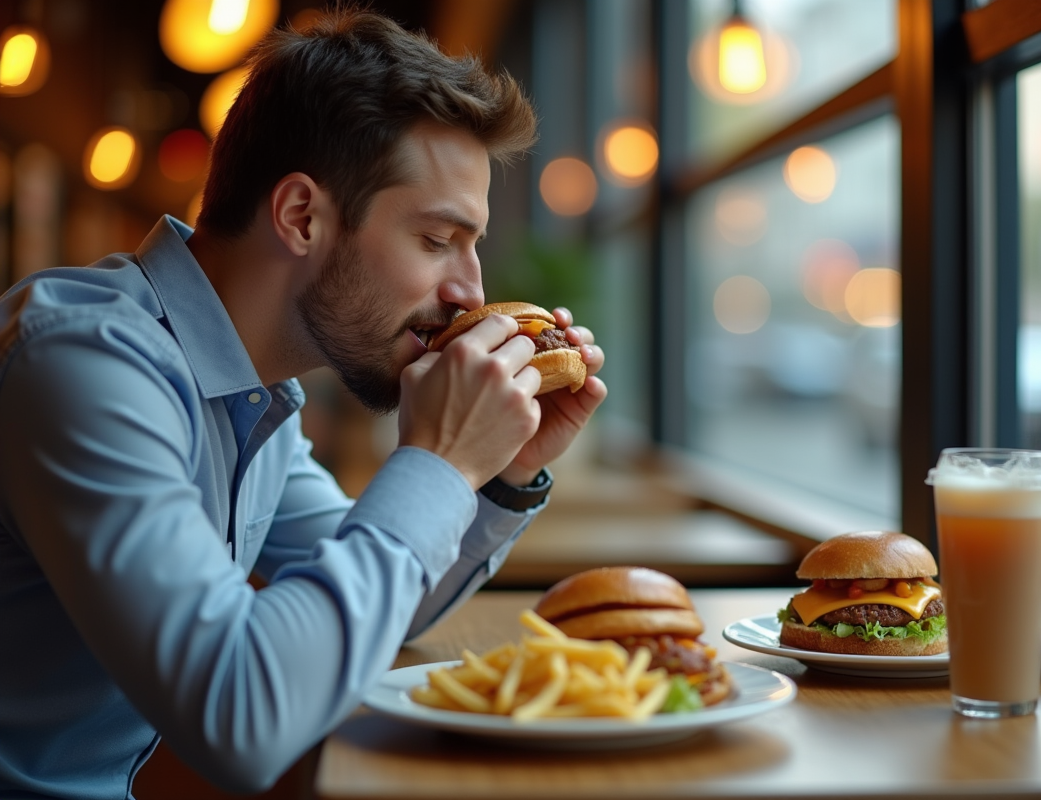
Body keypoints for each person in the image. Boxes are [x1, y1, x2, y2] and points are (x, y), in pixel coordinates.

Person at [0, 9, 606, 798]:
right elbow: (242, 719)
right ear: (301, 216)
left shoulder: (249, 398)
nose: (472, 290)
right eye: (435, 240)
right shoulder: (85, 364)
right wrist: (440, 463)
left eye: (474, 243)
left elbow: (376, 606)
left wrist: (495, 475)